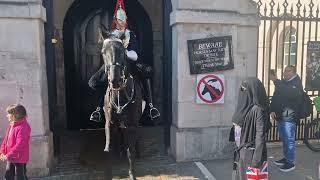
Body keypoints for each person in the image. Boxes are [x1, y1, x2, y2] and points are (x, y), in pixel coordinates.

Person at [88, 0, 160, 122]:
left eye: (123, 20)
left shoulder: (130, 34)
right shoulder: (110, 35)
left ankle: (150, 106)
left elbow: (135, 53)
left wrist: (125, 52)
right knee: (94, 81)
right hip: (112, 62)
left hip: (129, 61)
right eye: (119, 20)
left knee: (146, 74)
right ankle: (98, 109)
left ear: (126, 20)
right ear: (115, 21)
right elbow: (105, 50)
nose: (121, 23)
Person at [231, 77, 270, 180]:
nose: (242, 92)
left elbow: (260, 136)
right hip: (240, 152)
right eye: (242, 89)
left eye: (245, 89)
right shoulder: (243, 106)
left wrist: (257, 160)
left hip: (250, 154)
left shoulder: (258, 110)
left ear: (254, 91)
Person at [269, 65, 303, 172]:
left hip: (289, 115)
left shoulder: (296, 83)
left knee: (289, 139)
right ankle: (286, 158)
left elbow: (289, 92)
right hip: (280, 115)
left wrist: (276, 80)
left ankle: (290, 162)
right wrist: (272, 109)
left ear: (294, 72)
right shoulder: (283, 82)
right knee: (284, 139)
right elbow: (276, 96)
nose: (285, 73)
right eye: (284, 71)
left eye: (288, 71)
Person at [0, 104, 31, 180]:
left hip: (19, 158)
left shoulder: (23, 127)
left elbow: (20, 145)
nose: (7, 116)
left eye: (9, 113)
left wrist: (8, 155)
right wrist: (2, 152)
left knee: (20, 176)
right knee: (8, 176)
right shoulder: (12, 125)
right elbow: (6, 140)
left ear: (15, 115)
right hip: (11, 157)